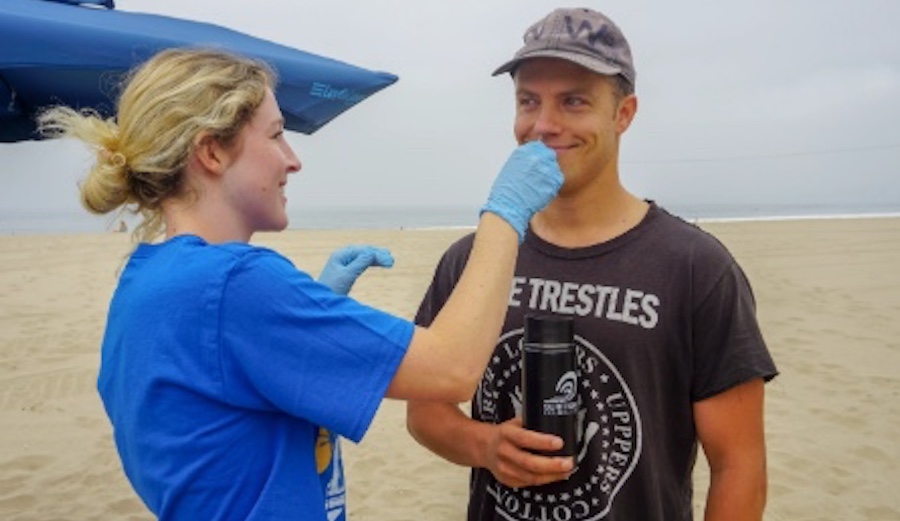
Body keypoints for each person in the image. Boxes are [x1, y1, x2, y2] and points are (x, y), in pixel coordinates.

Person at [37, 48, 563, 521]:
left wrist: (317, 310)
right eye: (274, 134)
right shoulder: (236, 283)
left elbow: (211, 407)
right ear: (212, 152)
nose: (293, 159)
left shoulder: (146, 280)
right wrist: (505, 212)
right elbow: (452, 369)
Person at [407, 7, 778, 521]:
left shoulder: (696, 268)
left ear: (623, 113)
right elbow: (425, 409)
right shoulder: (474, 259)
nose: (544, 125)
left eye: (574, 101)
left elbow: (738, 464)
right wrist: (484, 445)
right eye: (528, 101)